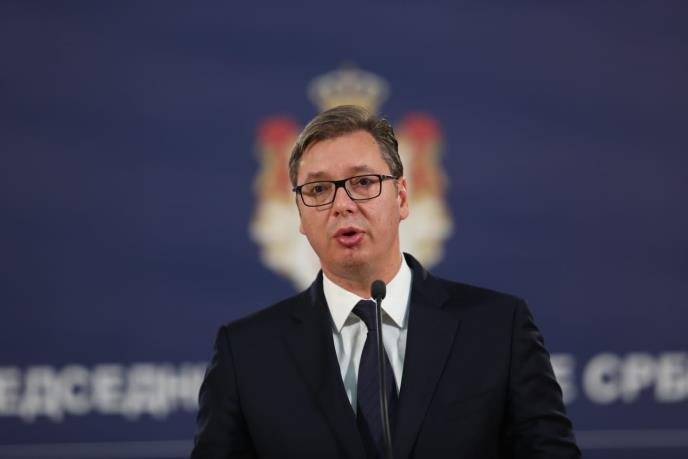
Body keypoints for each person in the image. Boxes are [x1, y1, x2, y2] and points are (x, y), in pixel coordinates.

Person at [191, 105, 581, 458]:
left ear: (402, 197)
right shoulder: (247, 354)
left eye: (363, 182)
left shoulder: (497, 329)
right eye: (318, 189)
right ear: (300, 215)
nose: (342, 205)